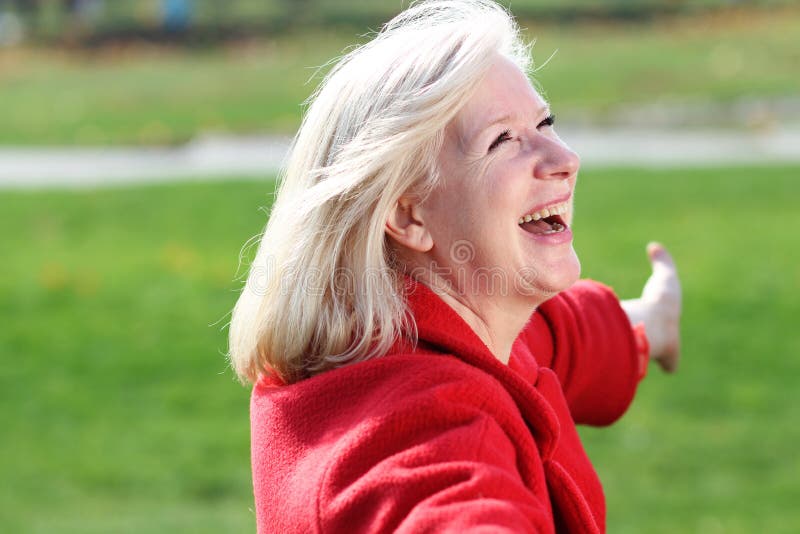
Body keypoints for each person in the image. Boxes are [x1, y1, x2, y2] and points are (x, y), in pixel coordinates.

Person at [228, 1, 681, 532]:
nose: (565, 159)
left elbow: (560, 335)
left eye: (544, 122)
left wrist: (650, 321)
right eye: (502, 140)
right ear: (407, 213)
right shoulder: (422, 429)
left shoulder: (434, 328)